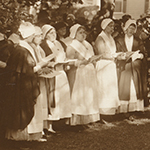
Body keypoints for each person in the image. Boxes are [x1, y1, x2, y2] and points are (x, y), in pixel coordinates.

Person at [3, 22, 43, 141]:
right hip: (21, 86)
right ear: (29, 35)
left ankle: (24, 136)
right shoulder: (22, 51)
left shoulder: (23, 48)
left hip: (22, 84)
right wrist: (39, 66)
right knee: (20, 110)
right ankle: (18, 138)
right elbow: (25, 70)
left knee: (22, 109)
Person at [66, 24, 100, 125]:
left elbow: (92, 56)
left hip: (89, 72)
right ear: (74, 34)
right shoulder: (72, 46)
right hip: (78, 73)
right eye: (80, 33)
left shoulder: (88, 44)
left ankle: (87, 118)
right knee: (79, 95)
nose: (83, 35)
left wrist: (94, 60)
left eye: (84, 33)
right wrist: (81, 62)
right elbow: (68, 61)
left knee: (88, 95)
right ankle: (76, 120)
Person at [41, 24, 71, 133]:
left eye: (54, 32)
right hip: (52, 74)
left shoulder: (58, 43)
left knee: (62, 97)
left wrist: (65, 62)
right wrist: (51, 63)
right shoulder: (44, 45)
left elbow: (62, 55)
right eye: (50, 33)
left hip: (61, 73)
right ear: (45, 35)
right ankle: (49, 125)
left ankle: (60, 121)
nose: (53, 35)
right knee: (53, 97)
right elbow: (42, 60)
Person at [115, 19, 145, 115]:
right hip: (125, 66)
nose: (131, 31)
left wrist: (140, 55)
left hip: (135, 66)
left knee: (134, 86)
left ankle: (135, 108)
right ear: (126, 29)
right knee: (124, 86)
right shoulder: (119, 40)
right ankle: (124, 108)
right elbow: (116, 52)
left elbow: (143, 52)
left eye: (133, 29)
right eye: (129, 28)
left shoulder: (137, 40)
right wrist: (124, 55)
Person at [95, 18, 120, 116]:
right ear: (104, 27)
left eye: (113, 26)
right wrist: (114, 56)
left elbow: (112, 52)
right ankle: (102, 111)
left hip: (110, 65)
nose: (112, 28)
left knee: (110, 87)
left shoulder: (110, 37)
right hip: (103, 65)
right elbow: (101, 54)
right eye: (110, 26)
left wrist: (117, 55)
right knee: (104, 87)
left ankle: (109, 111)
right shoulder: (100, 38)